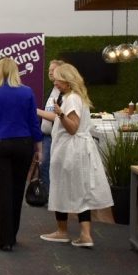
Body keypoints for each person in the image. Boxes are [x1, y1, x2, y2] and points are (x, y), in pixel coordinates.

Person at [41, 64, 113, 247]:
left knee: (62, 188)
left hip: (69, 151)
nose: (55, 81)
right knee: (81, 191)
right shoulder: (77, 97)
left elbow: (72, 127)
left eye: (57, 78)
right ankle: (85, 235)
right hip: (77, 150)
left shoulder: (71, 99)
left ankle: (62, 231)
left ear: (66, 80)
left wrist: (61, 114)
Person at [0, 58, 43, 251]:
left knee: (3, 190)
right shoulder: (27, 92)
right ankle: (13, 234)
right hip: (23, 144)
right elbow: (33, 121)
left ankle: (4, 239)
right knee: (16, 191)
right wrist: (38, 147)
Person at [36, 60, 65, 195]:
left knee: (50, 166)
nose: (50, 72)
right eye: (49, 69)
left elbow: (59, 117)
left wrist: (35, 110)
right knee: (44, 166)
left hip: (56, 136)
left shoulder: (64, 94)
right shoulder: (51, 90)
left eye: (53, 70)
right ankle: (47, 196)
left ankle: (50, 198)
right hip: (46, 136)